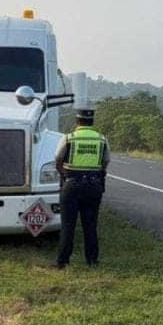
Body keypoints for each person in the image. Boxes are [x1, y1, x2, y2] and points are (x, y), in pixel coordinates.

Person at [54, 108, 110, 269]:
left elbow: (57, 159)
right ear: (92, 121)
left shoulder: (69, 138)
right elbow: (106, 161)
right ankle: (92, 260)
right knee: (90, 224)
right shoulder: (101, 139)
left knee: (68, 225)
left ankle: (63, 262)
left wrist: (65, 174)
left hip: (72, 184)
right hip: (93, 185)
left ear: (77, 122)